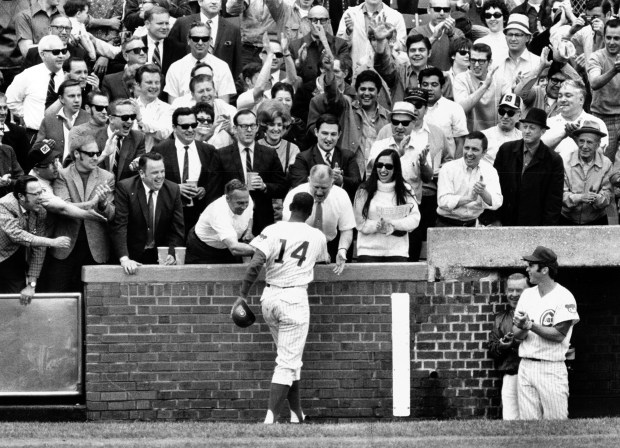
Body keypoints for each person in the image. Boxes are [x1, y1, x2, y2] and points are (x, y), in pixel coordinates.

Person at [238, 191, 330, 424]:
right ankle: (270, 418)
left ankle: (297, 414)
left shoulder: (272, 229)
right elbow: (324, 259)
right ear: (309, 212)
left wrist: (242, 296)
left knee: (290, 357)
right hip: (294, 298)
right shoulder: (316, 235)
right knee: (287, 362)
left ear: (290, 206)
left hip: (269, 297)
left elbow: (255, 264)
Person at [37, 133, 115, 293]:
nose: (95, 157)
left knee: (95, 299)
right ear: (77, 154)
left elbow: (111, 215)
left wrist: (103, 204)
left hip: (96, 249)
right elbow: (64, 207)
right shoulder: (62, 175)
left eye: (97, 153)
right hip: (65, 246)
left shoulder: (107, 177)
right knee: (58, 296)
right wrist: (92, 204)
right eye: (91, 154)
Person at [513, 246, 580, 420]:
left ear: (544, 270)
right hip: (526, 365)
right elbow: (517, 334)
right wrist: (521, 327)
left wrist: (530, 325)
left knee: (556, 424)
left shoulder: (564, 296)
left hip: (551, 367)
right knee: (528, 426)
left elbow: (558, 335)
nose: (527, 269)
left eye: (531, 265)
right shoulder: (527, 295)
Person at [308, 56, 389, 179]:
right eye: (362, 89)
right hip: (350, 175)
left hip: (378, 175)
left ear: (378, 92)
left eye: (371, 89)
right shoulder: (347, 107)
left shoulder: (388, 117)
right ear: (356, 91)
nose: (366, 93)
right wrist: (330, 71)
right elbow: (332, 95)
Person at [0, 175, 70, 304]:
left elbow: (39, 248)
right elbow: (17, 235)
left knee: (16, 301)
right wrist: (52, 242)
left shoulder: (40, 210)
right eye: (36, 194)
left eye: (41, 192)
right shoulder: (4, 205)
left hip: (12, 256)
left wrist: (31, 285)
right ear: (21, 196)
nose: (41, 197)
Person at [110, 152, 185, 274]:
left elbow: (177, 229)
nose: (160, 176)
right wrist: (125, 258)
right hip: (131, 256)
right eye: (155, 172)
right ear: (141, 173)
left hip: (160, 257)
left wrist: (171, 254)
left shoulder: (173, 190)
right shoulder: (126, 188)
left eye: (162, 171)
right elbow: (120, 226)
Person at [152, 107, 222, 234]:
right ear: (174, 127)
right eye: (185, 126)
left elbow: (214, 182)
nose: (190, 130)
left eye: (193, 125)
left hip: (198, 216)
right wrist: (175, 188)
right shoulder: (160, 150)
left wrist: (204, 189)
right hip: (169, 215)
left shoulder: (208, 150)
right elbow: (151, 180)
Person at [218, 109, 288, 235]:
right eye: (244, 126)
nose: (249, 130)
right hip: (231, 218)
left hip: (261, 219)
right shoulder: (222, 155)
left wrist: (265, 186)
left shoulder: (269, 154)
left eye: (252, 126)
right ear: (235, 128)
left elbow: (282, 187)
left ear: (257, 128)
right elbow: (215, 190)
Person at [494, 108, 564, 226]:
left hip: (535, 222)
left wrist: (547, 229)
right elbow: (495, 186)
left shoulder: (553, 160)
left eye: (532, 128)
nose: (527, 131)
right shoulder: (506, 150)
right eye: (525, 127)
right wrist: (494, 219)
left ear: (542, 132)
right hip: (505, 219)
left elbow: (554, 200)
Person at [354, 149, 420, 262]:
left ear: (396, 169)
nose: (383, 170)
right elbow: (358, 222)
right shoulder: (364, 190)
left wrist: (392, 224)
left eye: (388, 166)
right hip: (368, 250)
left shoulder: (405, 190)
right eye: (379, 165)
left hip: (397, 251)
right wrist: (377, 226)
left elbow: (415, 218)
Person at [283, 164, 352, 271]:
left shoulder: (341, 195)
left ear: (332, 183)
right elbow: (290, 231)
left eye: (324, 188)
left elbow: (347, 228)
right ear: (309, 180)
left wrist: (342, 250)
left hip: (331, 245)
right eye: (316, 187)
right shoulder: (294, 195)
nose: (319, 192)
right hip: (300, 245)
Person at [6, 34, 67, 142]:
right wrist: (27, 115)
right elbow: (10, 100)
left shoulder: (67, 77)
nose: (61, 55)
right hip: (34, 135)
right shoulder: (28, 75)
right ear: (43, 54)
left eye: (63, 51)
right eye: (56, 52)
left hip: (61, 136)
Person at [436, 131, 503, 227]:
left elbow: (497, 202)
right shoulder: (448, 168)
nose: (469, 153)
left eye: (475, 149)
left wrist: (483, 192)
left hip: (472, 224)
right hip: (446, 223)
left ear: (484, 152)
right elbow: (443, 201)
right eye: (466, 148)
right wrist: (469, 198)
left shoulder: (490, 171)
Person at [288, 113, 360, 199]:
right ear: (316, 132)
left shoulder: (348, 156)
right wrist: (326, 177)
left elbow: (357, 183)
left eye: (333, 134)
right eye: (325, 133)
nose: (329, 139)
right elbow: (299, 185)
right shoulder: (303, 157)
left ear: (339, 135)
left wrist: (340, 179)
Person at [164, 21, 236, 104]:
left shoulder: (222, 67)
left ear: (210, 41)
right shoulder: (176, 68)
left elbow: (224, 103)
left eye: (204, 39)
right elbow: (172, 104)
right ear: (188, 40)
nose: (200, 43)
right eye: (196, 39)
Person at [488, 273, 528, 421]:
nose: (514, 294)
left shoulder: (536, 313)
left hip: (533, 374)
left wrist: (515, 343)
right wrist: (502, 346)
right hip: (511, 375)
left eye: (519, 290)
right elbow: (492, 347)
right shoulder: (500, 318)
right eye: (511, 290)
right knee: (510, 421)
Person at [185, 179, 255, 264]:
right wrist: (263, 249)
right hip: (202, 249)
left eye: (246, 203)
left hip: (227, 247)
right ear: (227, 199)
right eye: (240, 203)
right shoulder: (218, 211)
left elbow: (249, 215)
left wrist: (248, 231)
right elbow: (234, 249)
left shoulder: (247, 199)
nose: (244, 207)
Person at [168, 0, 243, 79]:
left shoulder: (232, 29)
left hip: (221, 84)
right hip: (186, 82)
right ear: (200, 2)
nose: (214, 2)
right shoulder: (183, 24)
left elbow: (237, 66)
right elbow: (170, 55)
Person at [561, 120, 613, 225]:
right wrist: (579, 197)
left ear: (598, 145)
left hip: (596, 220)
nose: (584, 146)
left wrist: (596, 198)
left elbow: (608, 195)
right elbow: (560, 194)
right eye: (581, 141)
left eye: (589, 142)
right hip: (567, 219)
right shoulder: (565, 161)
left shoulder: (606, 163)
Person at [541, 79, 609, 156]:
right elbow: (535, 151)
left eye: (568, 95)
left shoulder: (596, 122)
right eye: (560, 96)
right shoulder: (547, 123)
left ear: (581, 100)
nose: (562, 100)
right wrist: (563, 135)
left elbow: (599, 155)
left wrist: (576, 138)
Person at [289, 5, 351, 86]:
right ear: (308, 22)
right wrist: (299, 63)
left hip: (332, 91)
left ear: (329, 22)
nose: (318, 24)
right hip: (304, 94)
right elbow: (288, 76)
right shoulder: (295, 45)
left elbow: (347, 71)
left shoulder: (340, 44)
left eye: (322, 21)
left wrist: (325, 43)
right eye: (314, 20)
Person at [453, 42, 509, 132]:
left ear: (490, 62)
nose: (476, 65)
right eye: (473, 60)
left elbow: (509, 109)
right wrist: (485, 86)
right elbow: (461, 109)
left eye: (481, 61)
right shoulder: (461, 78)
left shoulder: (501, 80)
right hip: (470, 137)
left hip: (495, 136)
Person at [335, 0, 406, 71]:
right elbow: (340, 48)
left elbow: (401, 47)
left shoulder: (396, 16)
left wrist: (387, 38)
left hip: (384, 72)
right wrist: (348, 33)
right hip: (355, 71)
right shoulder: (349, 14)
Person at [587, 17, 620, 163]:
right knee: (603, 164)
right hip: (603, 117)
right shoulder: (597, 57)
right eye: (609, 37)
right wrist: (614, 70)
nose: (612, 42)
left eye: (617, 38)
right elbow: (594, 82)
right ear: (604, 37)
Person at [35, 80, 90, 164]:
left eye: (79, 95)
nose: (77, 100)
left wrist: (73, 131)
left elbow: (93, 150)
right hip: (55, 173)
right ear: (61, 99)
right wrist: (45, 146)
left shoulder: (89, 120)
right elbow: (36, 150)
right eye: (71, 96)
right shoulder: (49, 120)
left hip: (81, 172)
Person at [514, 50, 581, 118]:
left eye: (562, 82)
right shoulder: (536, 92)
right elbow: (518, 93)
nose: (558, 85)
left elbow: (580, 86)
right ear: (547, 79)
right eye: (555, 80)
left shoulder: (566, 101)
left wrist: (563, 63)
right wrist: (541, 66)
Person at [419, 66, 468, 158]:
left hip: (446, 165)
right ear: (420, 86)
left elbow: (460, 143)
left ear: (442, 87)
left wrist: (454, 167)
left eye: (434, 85)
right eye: (425, 84)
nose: (429, 88)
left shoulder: (454, 108)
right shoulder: (413, 109)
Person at [95, 99, 146, 183]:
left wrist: (139, 163)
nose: (130, 121)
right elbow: (84, 167)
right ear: (111, 119)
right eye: (125, 117)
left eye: (132, 117)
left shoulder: (138, 138)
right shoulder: (94, 137)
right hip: (99, 189)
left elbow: (141, 163)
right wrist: (103, 155)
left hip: (124, 192)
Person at [409, 0, 465, 71]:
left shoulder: (458, 33)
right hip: (424, 78)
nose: (442, 13)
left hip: (449, 79)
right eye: (437, 9)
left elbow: (464, 56)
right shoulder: (416, 32)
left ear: (450, 12)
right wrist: (433, 37)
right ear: (428, 10)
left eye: (446, 10)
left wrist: (451, 35)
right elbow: (413, 55)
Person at [21, 15, 89, 71]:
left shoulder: (80, 54)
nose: (64, 32)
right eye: (60, 28)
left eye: (67, 28)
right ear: (50, 30)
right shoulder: (35, 53)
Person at [133, 64, 174, 152]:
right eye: (149, 82)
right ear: (138, 84)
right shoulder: (130, 106)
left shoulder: (167, 109)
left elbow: (164, 134)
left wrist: (140, 120)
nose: (154, 86)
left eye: (157, 82)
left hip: (155, 159)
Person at [495, 14, 540, 89]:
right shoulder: (497, 61)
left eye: (518, 35)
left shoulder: (537, 62)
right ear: (505, 37)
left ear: (527, 38)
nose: (513, 39)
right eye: (510, 34)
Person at [256, 99, 300, 176]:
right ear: (265, 125)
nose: (276, 129)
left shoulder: (292, 149)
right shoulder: (255, 146)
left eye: (279, 125)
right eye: (272, 125)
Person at [101, 36, 148, 102]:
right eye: (137, 50)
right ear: (126, 56)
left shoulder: (157, 77)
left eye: (144, 49)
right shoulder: (110, 81)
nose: (142, 53)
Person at [481, 93, 523, 164]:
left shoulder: (523, 138)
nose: (505, 116)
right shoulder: (484, 136)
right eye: (502, 111)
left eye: (510, 113)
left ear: (519, 116)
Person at [0, 92, 30, 173]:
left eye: (5, 108)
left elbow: (25, 164)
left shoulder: (19, 132)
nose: (3, 112)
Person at [475, 0, 510, 64]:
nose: (492, 18)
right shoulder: (479, 43)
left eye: (497, 15)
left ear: (504, 18)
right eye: (488, 15)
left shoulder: (512, 41)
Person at [0, 128, 24, 198]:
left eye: (1, 129)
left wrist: (9, 182)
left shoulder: (8, 150)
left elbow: (22, 180)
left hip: (9, 198)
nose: (2, 134)